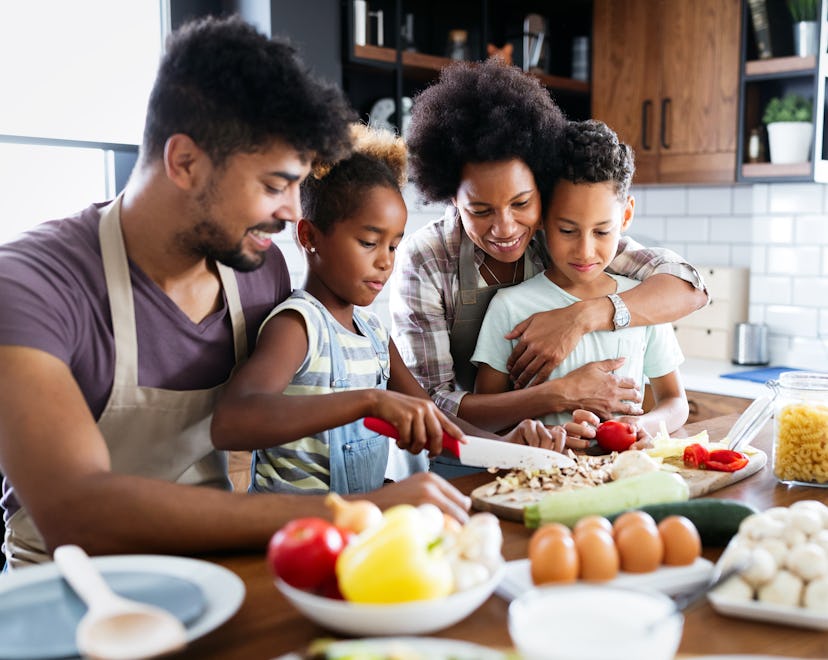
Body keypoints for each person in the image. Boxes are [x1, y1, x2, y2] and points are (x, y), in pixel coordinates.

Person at [0, 16, 469, 570]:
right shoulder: (28, 285)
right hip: (69, 587)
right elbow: (76, 513)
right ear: (185, 162)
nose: (292, 212)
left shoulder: (259, 272)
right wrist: (354, 511)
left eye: (297, 185)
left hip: (213, 568)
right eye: (274, 185)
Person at [211, 124, 578, 494]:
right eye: (369, 242)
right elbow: (232, 422)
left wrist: (508, 447)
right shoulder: (298, 326)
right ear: (309, 237)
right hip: (293, 523)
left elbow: (436, 420)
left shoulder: (373, 335)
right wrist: (370, 401)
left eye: (393, 246)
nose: (385, 262)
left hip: (360, 521)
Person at [389, 59, 707, 447]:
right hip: (451, 453)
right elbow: (431, 403)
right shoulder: (426, 259)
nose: (505, 228)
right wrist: (561, 394)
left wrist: (579, 318)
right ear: (452, 197)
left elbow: (689, 288)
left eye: (521, 203)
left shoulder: (560, 234)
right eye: (481, 210)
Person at [473, 120, 689, 443]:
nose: (585, 251)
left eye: (602, 231)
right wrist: (544, 435)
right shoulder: (510, 307)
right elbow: (484, 420)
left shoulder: (641, 303)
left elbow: (675, 401)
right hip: (538, 472)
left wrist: (644, 426)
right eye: (567, 230)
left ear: (626, 216)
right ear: (542, 217)